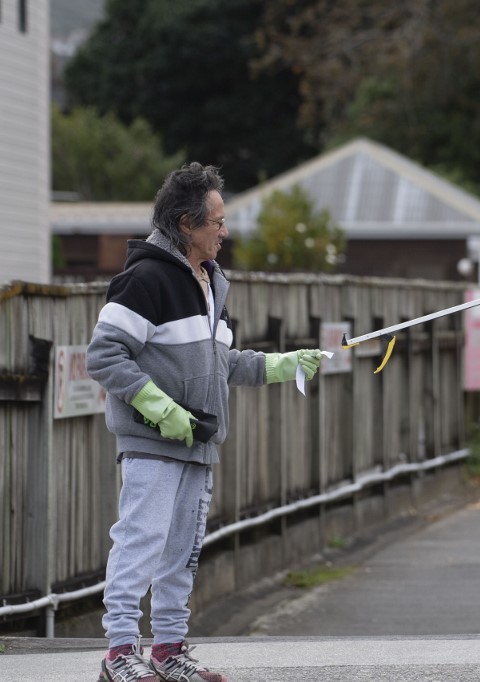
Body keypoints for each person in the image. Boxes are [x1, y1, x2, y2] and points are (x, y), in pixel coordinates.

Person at [87, 162, 323, 682]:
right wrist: (161, 409)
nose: (225, 232)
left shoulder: (212, 283)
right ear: (186, 224)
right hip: (152, 443)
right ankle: (119, 653)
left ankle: (168, 651)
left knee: (182, 553)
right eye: (217, 222)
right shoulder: (145, 279)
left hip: (200, 441)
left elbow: (222, 362)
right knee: (141, 543)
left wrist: (284, 365)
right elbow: (103, 356)